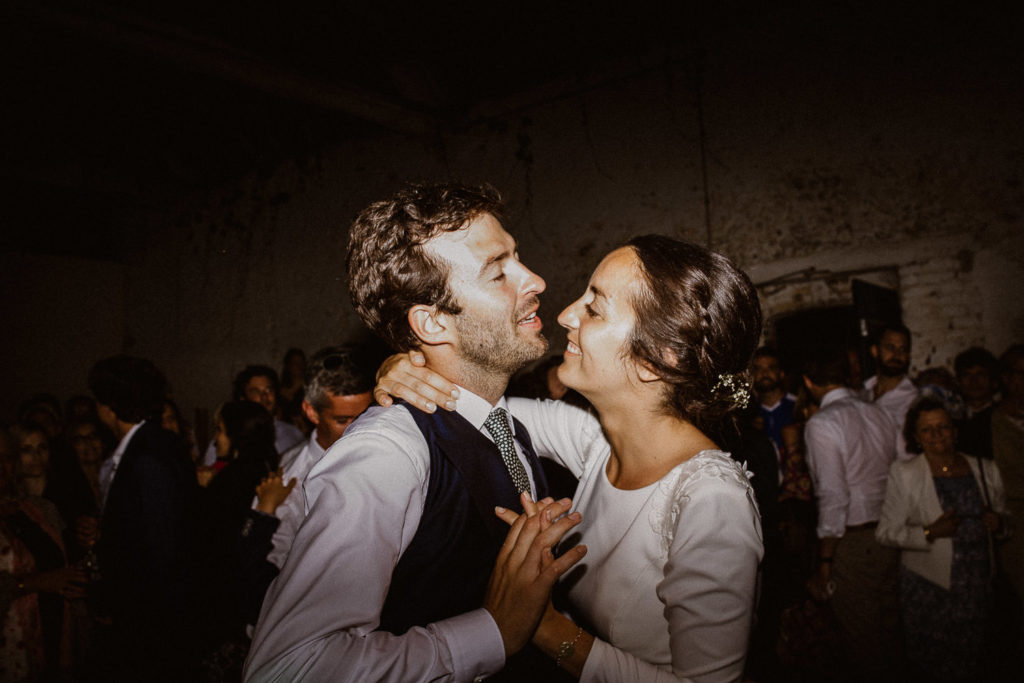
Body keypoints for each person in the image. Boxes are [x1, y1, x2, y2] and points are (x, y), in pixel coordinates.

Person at [378, 234, 765, 680]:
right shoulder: (596, 441)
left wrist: (539, 624)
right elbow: (474, 406)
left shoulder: (712, 500)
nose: (565, 315)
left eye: (594, 309)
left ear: (656, 361)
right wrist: (406, 367)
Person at [245, 183, 585, 682]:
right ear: (430, 322)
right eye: (498, 272)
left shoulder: (501, 421)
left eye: (519, 258)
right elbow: (289, 668)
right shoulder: (386, 453)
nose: (534, 279)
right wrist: (492, 632)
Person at [876, 397, 1010, 681]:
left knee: (972, 659)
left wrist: (999, 525)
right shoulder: (906, 473)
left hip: (976, 583)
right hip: (928, 586)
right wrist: (928, 532)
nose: (937, 435)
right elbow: (886, 532)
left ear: (955, 430)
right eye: (927, 430)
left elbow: (1005, 522)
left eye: (943, 427)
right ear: (916, 437)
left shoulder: (985, 469)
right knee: (932, 663)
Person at [88, 354, 201, 681]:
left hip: (150, 623)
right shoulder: (153, 443)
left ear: (108, 405)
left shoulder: (148, 455)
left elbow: (162, 549)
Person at [802, 348, 901, 679]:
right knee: (890, 629)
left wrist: (825, 562)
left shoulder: (822, 423)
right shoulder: (880, 413)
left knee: (863, 641)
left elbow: (833, 495)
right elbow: (900, 470)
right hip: (890, 533)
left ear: (808, 381)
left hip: (853, 541)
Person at [262, 345, 375, 569]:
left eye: (366, 416)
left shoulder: (381, 448)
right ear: (311, 412)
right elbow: (276, 560)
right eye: (343, 420)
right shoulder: (291, 476)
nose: (358, 430)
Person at [1, 425, 85, 682]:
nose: (2, 466)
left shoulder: (38, 509)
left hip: (54, 640)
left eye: (7, 457)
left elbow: (66, 564)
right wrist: (37, 582)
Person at [201, 366, 305, 467]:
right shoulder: (225, 439)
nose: (264, 397)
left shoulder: (294, 434)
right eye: (256, 391)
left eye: (269, 390)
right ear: (243, 399)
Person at [862, 323, 919, 460]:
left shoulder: (914, 400)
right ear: (875, 351)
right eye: (890, 347)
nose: (896, 355)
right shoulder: (863, 394)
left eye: (903, 349)